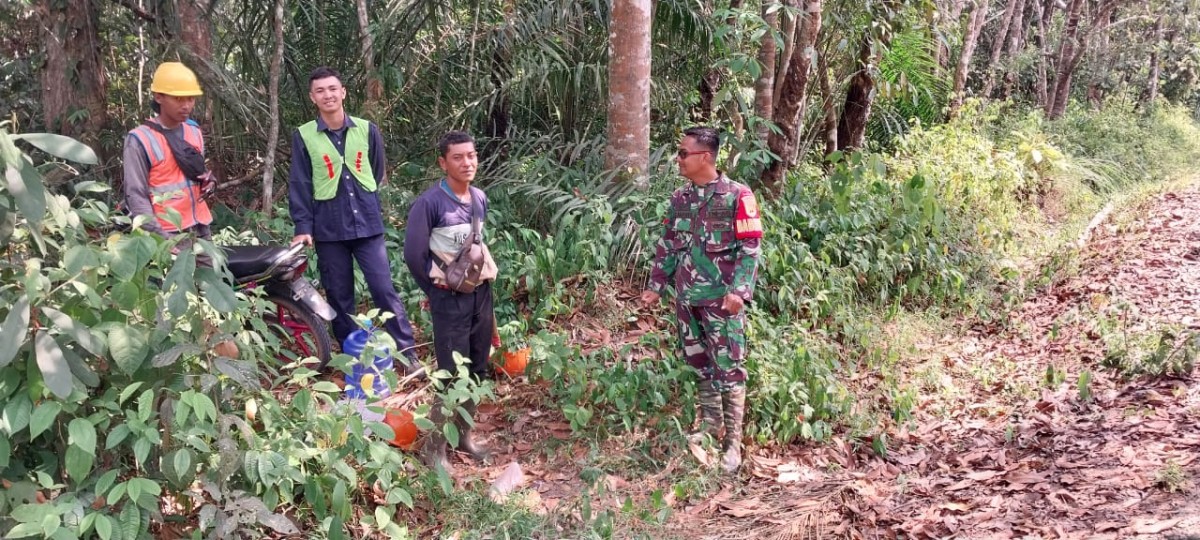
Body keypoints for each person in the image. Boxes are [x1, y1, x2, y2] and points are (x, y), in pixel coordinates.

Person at [641, 126, 763, 473]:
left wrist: (740, 290)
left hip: (721, 303)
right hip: (687, 301)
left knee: (729, 368)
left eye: (683, 153)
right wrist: (658, 283)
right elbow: (667, 242)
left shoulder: (738, 196)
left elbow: (750, 248)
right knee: (700, 364)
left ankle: (733, 444)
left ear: (705, 157)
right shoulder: (680, 199)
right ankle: (710, 427)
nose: (677, 159)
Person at [288, 66, 422, 376]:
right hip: (329, 228)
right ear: (313, 97)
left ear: (343, 92)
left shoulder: (366, 129)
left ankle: (407, 354)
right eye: (320, 91)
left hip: (367, 225)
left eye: (333, 88)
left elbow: (376, 171)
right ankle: (352, 359)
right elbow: (301, 182)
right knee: (339, 294)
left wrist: (365, 199)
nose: (328, 95)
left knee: (382, 288)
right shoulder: (304, 135)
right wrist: (303, 226)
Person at [403, 131, 499, 472]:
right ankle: (434, 448)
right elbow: (414, 255)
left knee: (477, 368)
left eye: (471, 155)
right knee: (449, 375)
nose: (467, 162)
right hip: (448, 300)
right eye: (458, 157)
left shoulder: (479, 198)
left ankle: (464, 436)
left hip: (480, 296)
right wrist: (435, 292)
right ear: (443, 163)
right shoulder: (429, 204)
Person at [123, 61, 216, 265]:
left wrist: (208, 182)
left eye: (191, 99)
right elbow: (135, 195)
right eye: (178, 99)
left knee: (211, 286)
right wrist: (160, 238)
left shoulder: (194, 131)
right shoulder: (139, 140)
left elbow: (195, 175)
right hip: (167, 233)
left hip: (200, 228)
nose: (187, 105)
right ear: (159, 97)